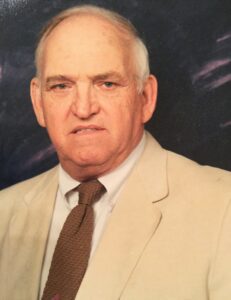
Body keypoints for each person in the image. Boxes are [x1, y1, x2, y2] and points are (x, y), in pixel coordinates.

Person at [0, 4, 231, 300]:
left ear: (145, 97)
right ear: (38, 102)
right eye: (61, 86)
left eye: (107, 83)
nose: (83, 108)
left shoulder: (222, 208)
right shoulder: (4, 212)